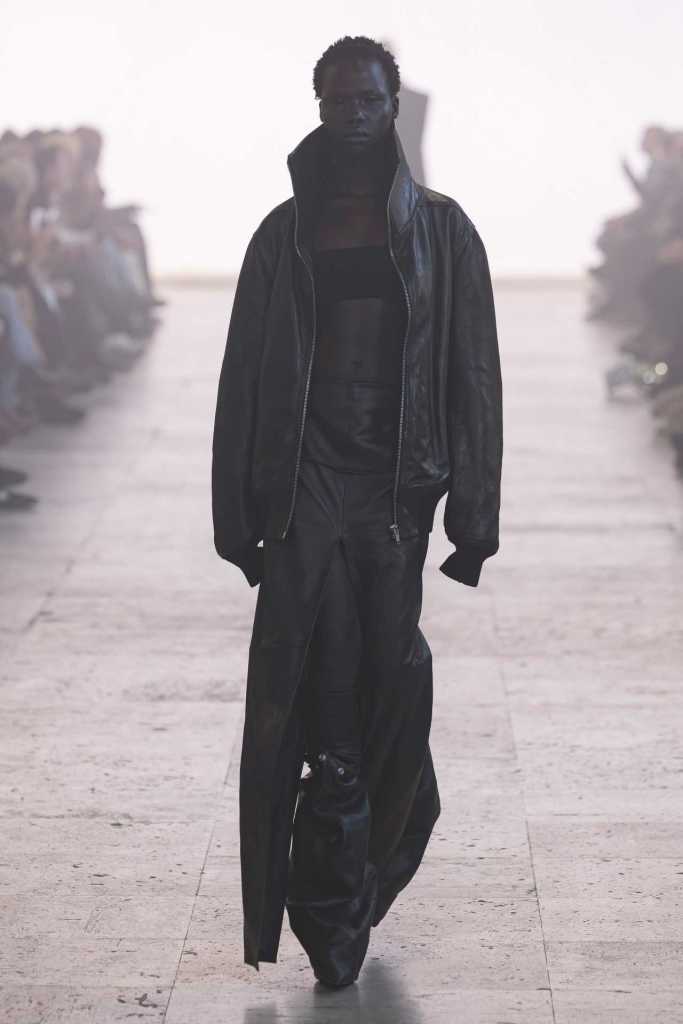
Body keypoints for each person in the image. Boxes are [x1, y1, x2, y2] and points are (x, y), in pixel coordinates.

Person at [211, 35, 503, 988]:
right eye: (337, 101)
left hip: (395, 487)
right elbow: (244, 380)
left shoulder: (444, 233)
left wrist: (474, 519)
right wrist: (236, 516)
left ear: (393, 104)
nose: (352, 116)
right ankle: (330, 905)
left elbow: (472, 375)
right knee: (319, 683)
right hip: (307, 483)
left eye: (368, 100)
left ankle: (366, 859)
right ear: (318, 106)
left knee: (391, 676)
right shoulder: (281, 234)